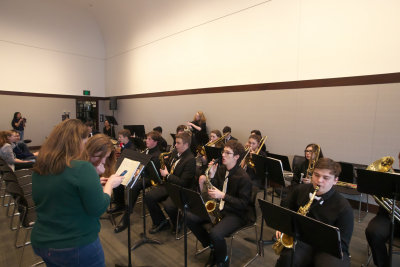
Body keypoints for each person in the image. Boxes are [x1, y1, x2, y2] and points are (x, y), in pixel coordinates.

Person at [31, 119, 124, 267]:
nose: (86, 145)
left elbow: (61, 194)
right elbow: (98, 208)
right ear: (76, 141)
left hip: (43, 242)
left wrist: (93, 184)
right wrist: (110, 185)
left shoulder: (42, 165)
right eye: (85, 140)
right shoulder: (82, 168)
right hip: (75, 245)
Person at [275, 158, 354, 267]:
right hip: (303, 240)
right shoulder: (300, 190)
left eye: (326, 178)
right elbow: (287, 209)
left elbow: (343, 244)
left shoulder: (344, 207)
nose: (319, 180)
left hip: (328, 248)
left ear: (335, 180)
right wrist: (283, 226)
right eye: (316, 175)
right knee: (288, 259)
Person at [187, 140, 253, 267]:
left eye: (228, 153)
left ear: (236, 157)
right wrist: (211, 176)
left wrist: (223, 196)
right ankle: (213, 247)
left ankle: (223, 260)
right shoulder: (222, 170)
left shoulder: (244, 178)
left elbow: (243, 204)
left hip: (237, 213)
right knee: (189, 216)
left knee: (215, 233)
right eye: (223, 152)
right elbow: (214, 188)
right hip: (220, 207)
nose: (223, 155)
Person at [144, 131, 196, 234]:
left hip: (181, 189)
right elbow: (170, 166)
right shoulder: (175, 153)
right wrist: (164, 164)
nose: (175, 145)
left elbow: (184, 182)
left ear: (186, 145)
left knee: (169, 205)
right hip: (169, 185)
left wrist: (167, 175)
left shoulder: (190, 160)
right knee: (149, 196)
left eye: (178, 143)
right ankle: (161, 222)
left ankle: (179, 221)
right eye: (175, 142)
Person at [114, 131, 162, 233]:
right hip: (142, 174)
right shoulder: (147, 150)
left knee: (134, 186)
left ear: (156, 142)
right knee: (122, 177)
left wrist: (139, 171)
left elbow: (153, 173)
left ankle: (126, 217)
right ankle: (120, 204)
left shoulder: (157, 155)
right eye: (147, 138)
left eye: (149, 139)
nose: (146, 141)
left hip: (151, 178)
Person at [365, 152, 400, 267]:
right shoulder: (392, 178)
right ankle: (382, 264)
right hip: (388, 216)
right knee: (373, 232)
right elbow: (382, 200)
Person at [108, 128, 136, 213]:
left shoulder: (131, 148)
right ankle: (117, 199)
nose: (119, 139)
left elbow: (129, 163)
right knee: (113, 175)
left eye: (120, 137)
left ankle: (120, 205)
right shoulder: (125, 145)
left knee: (116, 180)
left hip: (130, 170)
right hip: (125, 167)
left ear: (126, 137)